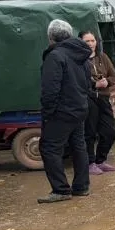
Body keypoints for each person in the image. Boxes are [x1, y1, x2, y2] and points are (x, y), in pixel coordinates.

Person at [38, 19, 93, 204]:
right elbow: (87, 84)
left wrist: (48, 112)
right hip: (79, 109)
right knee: (79, 147)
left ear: (50, 37)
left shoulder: (55, 56)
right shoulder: (82, 55)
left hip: (60, 112)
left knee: (49, 148)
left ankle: (61, 189)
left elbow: (50, 89)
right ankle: (81, 186)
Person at [80, 31, 115, 175]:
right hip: (88, 99)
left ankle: (100, 160)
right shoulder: (79, 60)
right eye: (87, 41)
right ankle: (89, 163)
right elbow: (77, 80)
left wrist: (106, 81)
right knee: (89, 133)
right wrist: (93, 85)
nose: (90, 44)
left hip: (103, 98)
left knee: (110, 131)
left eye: (92, 40)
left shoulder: (103, 57)